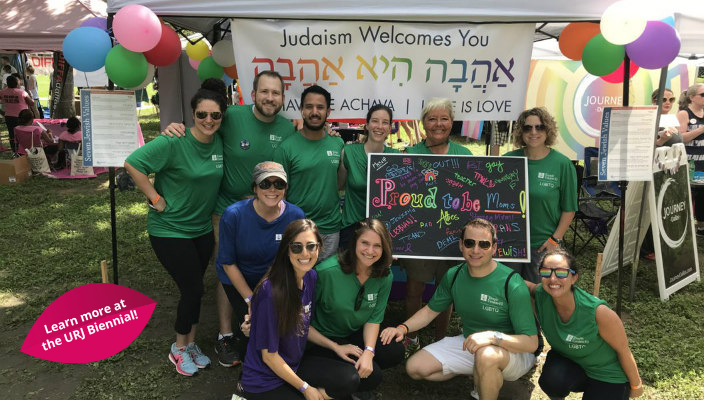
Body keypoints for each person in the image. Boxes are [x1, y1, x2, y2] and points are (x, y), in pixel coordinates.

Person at [163, 72, 296, 367]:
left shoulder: (289, 128)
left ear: (283, 98)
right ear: (253, 93)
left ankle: (261, 323)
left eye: (276, 93)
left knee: (266, 267)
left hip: (269, 213)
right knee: (227, 268)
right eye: (264, 92)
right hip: (226, 211)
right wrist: (178, 129)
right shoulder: (231, 116)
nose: (270, 98)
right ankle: (225, 335)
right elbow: (203, 129)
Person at [124, 88, 226, 376]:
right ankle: (178, 349)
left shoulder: (219, 141)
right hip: (169, 230)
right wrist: (155, 198)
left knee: (195, 289)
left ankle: (191, 343)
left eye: (215, 115)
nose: (208, 119)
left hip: (201, 229)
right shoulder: (174, 140)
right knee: (192, 289)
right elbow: (133, 163)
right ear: (192, 115)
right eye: (202, 114)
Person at [380, 218, 538, 400]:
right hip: (471, 343)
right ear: (461, 245)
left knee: (486, 356)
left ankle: (487, 382)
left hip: (512, 352)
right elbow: (430, 311)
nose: (476, 250)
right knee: (415, 367)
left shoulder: (512, 283)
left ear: (494, 248)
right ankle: (483, 375)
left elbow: (531, 343)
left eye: (484, 245)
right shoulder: (453, 275)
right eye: (470, 243)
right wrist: (403, 328)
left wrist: (493, 338)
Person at [297, 219, 404, 399]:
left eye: (377, 246)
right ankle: (326, 387)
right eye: (365, 243)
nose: (370, 251)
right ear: (354, 242)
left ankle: (349, 377)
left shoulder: (384, 274)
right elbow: (300, 322)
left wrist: (369, 352)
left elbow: (374, 319)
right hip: (320, 340)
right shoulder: (326, 272)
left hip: (353, 334)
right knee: (368, 376)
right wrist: (336, 347)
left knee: (393, 350)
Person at [400, 98, 473, 355]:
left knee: (447, 291)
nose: (438, 124)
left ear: (452, 122)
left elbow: (473, 198)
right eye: (432, 119)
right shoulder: (409, 155)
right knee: (414, 289)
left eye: (444, 118)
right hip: (418, 236)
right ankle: (412, 337)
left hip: (453, 238)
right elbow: (399, 198)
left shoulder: (464, 155)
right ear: (424, 123)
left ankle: (441, 339)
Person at [216, 161, 305, 364]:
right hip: (239, 278)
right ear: (254, 188)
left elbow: (295, 258)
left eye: (279, 184)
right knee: (254, 325)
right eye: (265, 184)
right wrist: (251, 300)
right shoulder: (234, 215)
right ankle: (249, 371)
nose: (272, 189)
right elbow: (228, 263)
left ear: (286, 188)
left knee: (275, 324)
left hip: (275, 279)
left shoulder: (295, 216)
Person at [527, 249, 643, 400]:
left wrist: (636, 386)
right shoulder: (541, 294)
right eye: (546, 272)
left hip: (607, 374)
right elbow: (518, 284)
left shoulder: (598, 312)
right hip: (574, 365)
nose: (553, 278)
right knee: (552, 379)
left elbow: (624, 351)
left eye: (561, 272)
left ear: (574, 278)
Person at [238, 219, 326, 400]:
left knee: (349, 380)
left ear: (319, 248)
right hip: (263, 379)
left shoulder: (311, 277)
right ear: (286, 250)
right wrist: (306, 388)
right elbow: (269, 357)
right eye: (296, 247)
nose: (305, 253)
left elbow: (303, 325)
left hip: (294, 365)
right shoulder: (271, 292)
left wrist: (337, 347)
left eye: (311, 246)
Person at [503, 107, 577, 283]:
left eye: (540, 127)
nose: (533, 132)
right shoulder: (507, 160)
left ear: (548, 130)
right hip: (509, 242)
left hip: (542, 245)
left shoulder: (562, 164)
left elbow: (569, 209)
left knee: (537, 296)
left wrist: (554, 240)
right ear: (521, 131)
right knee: (506, 292)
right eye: (528, 128)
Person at [275, 85, 344, 262]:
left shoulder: (337, 144)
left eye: (320, 107)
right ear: (301, 110)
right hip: (299, 228)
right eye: (309, 107)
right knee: (300, 281)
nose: (314, 112)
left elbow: (339, 183)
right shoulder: (286, 148)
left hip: (330, 228)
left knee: (326, 281)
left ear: (328, 111)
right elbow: (279, 195)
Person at [338, 105, 400, 249]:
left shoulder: (396, 157)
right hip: (352, 228)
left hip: (383, 230)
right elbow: (338, 185)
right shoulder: (348, 152)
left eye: (385, 122)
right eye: (375, 121)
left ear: (390, 127)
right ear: (367, 124)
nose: (379, 126)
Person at [676, 83, 704, 235]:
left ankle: (700, 225)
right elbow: (680, 138)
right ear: (692, 97)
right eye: (702, 95)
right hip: (688, 162)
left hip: (703, 162)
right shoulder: (684, 113)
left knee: (702, 196)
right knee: (686, 194)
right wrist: (701, 129)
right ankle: (683, 225)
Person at [0, 75, 35, 153]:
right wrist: (30, 96)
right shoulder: (21, 92)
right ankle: (24, 150)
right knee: (24, 134)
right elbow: (31, 103)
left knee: (12, 134)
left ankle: (15, 151)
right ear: (16, 83)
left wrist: (2, 112)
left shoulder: (2, 92)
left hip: (9, 116)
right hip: (22, 116)